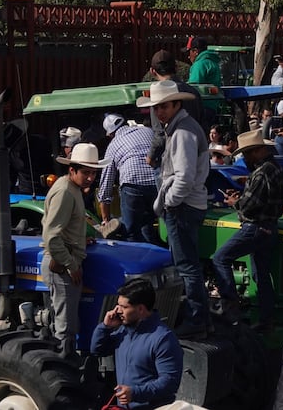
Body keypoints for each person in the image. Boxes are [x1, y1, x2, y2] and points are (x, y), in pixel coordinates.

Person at [137, 80, 210, 339]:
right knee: (188, 264)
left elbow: (184, 177)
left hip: (183, 206)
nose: (160, 112)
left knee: (187, 266)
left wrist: (170, 203)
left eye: (164, 106)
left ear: (177, 104)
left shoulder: (182, 132)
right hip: (187, 204)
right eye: (156, 108)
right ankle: (196, 316)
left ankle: (196, 319)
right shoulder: (181, 128)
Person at [213, 130, 283, 331]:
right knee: (261, 275)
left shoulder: (261, 173)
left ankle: (231, 309)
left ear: (257, 151)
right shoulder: (275, 168)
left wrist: (235, 201)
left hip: (256, 227)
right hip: (270, 227)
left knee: (221, 258)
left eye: (247, 153)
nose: (245, 158)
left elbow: (248, 206)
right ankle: (266, 319)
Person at [42, 143, 108, 355]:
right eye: (86, 172)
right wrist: (71, 265)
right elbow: (51, 236)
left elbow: (64, 229)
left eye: (93, 173)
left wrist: (81, 239)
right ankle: (63, 366)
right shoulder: (65, 193)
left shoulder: (73, 188)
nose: (90, 178)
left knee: (67, 322)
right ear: (72, 170)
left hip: (68, 259)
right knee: (66, 327)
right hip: (63, 265)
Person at [90, 278, 183, 409]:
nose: (117, 311)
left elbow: (169, 383)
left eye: (124, 307)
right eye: (118, 305)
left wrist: (135, 393)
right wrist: (105, 327)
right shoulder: (124, 331)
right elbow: (97, 350)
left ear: (141, 309)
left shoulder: (163, 339)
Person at [97, 114, 159, 245]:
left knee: (130, 230)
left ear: (110, 134)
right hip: (157, 182)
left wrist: (105, 219)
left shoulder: (113, 145)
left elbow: (106, 183)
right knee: (147, 224)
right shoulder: (147, 131)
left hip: (132, 184)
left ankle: (136, 257)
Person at [146, 49, 204, 168]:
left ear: (152, 71)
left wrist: (150, 157)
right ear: (176, 67)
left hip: (171, 160)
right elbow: (202, 123)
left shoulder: (158, 96)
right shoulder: (193, 92)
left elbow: (160, 135)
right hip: (195, 155)